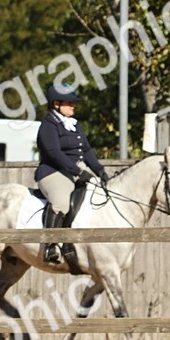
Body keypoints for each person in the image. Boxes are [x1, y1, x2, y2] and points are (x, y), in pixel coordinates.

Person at [34, 84, 109, 264]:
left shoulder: (74, 124)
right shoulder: (48, 125)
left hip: (76, 168)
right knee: (61, 201)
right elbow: (54, 153)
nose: (73, 106)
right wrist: (79, 172)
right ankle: (51, 245)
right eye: (70, 102)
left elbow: (87, 149)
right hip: (53, 171)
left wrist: (99, 169)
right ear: (56, 104)